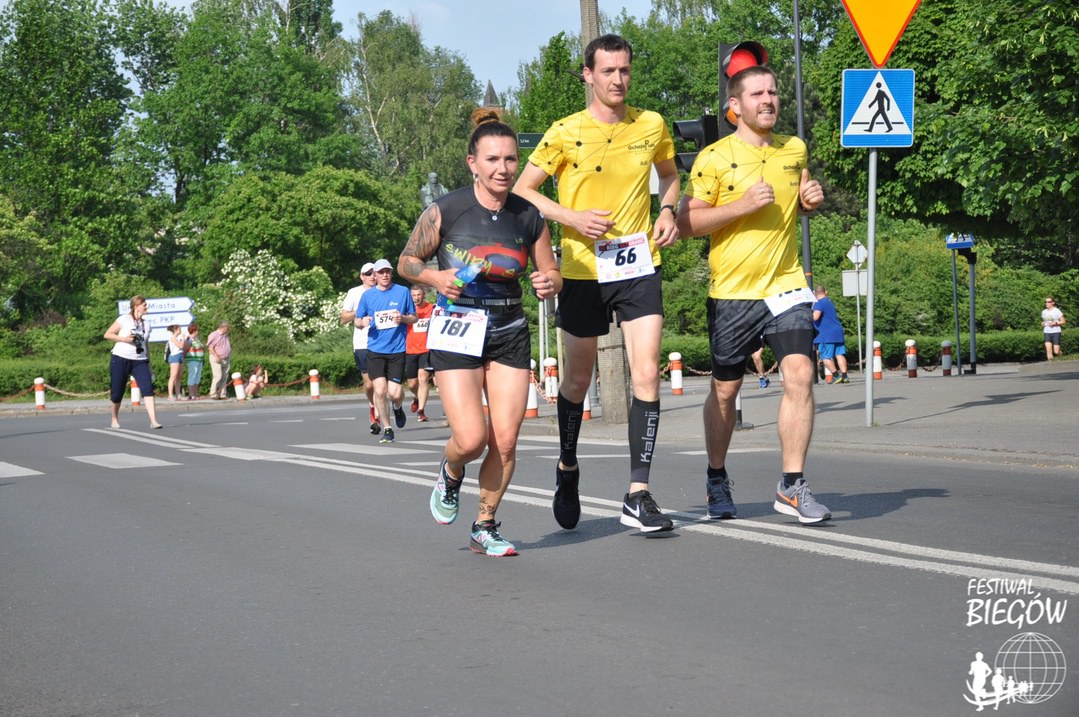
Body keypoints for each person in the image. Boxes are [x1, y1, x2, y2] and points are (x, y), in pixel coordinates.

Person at [512, 33, 681, 534]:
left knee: (646, 373)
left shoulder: (651, 124)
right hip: (583, 270)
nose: (618, 79)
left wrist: (668, 209)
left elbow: (670, 176)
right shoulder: (565, 131)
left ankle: (638, 493)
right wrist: (572, 217)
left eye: (624, 70)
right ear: (588, 75)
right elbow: (523, 190)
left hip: (638, 265)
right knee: (578, 380)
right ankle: (567, 467)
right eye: (608, 71)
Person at [676, 63, 830, 524]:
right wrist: (741, 205)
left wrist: (809, 203)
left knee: (800, 374)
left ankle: (792, 484)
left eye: (773, 92)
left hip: (786, 285)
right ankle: (716, 477)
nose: (768, 100)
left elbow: (796, 204)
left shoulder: (794, 149)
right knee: (725, 392)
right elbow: (685, 223)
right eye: (757, 94)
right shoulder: (714, 158)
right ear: (735, 106)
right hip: (733, 292)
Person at [400, 113, 561, 556]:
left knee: (505, 441)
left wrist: (549, 282)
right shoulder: (446, 209)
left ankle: (484, 525)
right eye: (492, 159)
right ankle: (451, 471)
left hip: (509, 329)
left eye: (510, 159)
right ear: (473, 162)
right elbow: (407, 262)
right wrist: (435, 278)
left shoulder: (528, 214)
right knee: (471, 440)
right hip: (458, 328)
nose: (502, 169)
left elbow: (551, 270)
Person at [354, 259, 416, 443]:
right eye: (381, 272)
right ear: (375, 275)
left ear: (391, 273)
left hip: (397, 349)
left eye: (387, 271)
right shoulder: (368, 296)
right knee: (380, 391)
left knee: (395, 393)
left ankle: (397, 406)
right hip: (375, 349)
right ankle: (388, 428)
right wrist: (362, 322)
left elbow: (414, 318)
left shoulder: (403, 292)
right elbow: (357, 321)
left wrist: (402, 318)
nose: (385, 275)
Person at [103, 295, 162, 429]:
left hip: (140, 360)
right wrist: (125, 339)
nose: (147, 307)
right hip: (120, 358)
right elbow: (107, 334)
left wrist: (149, 364)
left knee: (148, 388)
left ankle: (153, 421)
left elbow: (146, 345)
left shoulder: (147, 324)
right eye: (144, 305)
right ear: (136, 306)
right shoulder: (124, 319)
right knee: (117, 392)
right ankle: (114, 418)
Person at [341, 263, 381, 433]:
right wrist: (359, 311)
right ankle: (372, 404)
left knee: (380, 382)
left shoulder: (384, 291)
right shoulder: (354, 292)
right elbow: (343, 318)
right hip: (362, 343)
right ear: (361, 276)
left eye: (374, 273)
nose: (372, 276)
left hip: (381, 342)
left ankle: (378, 417)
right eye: (368, 273)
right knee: (369, 384)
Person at [405, 284, 434, 422]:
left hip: (426, 349)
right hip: (410, 349)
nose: (416, 298)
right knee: (412, 384)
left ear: (423, 295)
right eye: (414, 295)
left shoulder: (431, 308)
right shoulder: (407, 310)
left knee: (423, 378)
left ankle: (421, 411)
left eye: (419, 295)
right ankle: (417, 397)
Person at [813, 285, 849, 383]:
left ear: (814, 293)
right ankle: (845, 376)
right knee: (839, 354)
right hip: (838, 332)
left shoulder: (819, 303)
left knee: (825, 357)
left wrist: (806, 316)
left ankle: (836, 376)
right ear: (826, 292)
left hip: (826, 335)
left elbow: (815, 317)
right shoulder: (829, 301)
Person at [206, 321, 232, 400]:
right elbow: (210, 347)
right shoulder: (214, 335)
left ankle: (222, 394)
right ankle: (213, 393)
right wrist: (216, 356)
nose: (228, 329)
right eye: (228, 327)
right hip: (216, 357)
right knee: (218, 376)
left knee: (224, 377)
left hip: (225, 358)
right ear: (223, 327)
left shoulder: (225, 335)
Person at [164, 324, 189, 400]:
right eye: (179, 329)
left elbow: (184, 346)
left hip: (180, 356)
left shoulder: (178, 337)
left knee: (179, 377)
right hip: (174, 357)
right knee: (173, 376)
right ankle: (170, 395)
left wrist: (185, 339)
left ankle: (178, 394)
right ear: (175, 330)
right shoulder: (173, 337)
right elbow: (180, 346)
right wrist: (183, 338)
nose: (180, 330)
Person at [184, 322, 205, 400]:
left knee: (197, 377)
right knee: (192, 376)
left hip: (199, 360)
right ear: (194, 331)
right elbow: (185, 349)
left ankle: (196, 394)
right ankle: (191, 394)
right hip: (192, 360)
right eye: (197, 330)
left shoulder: (197, 339)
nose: (198, 331)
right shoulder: (189, 339)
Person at [1042, 296, 1065, 360]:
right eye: (1046, 302)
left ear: (1053, 303)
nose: (1047, 303)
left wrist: (1055, 323)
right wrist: (1043, 323)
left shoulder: (1057, 311)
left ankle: (1060, 354)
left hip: (1056, 331)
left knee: (1056, 351)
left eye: (1049, 302)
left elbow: (1063, 321)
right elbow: (1045, 321)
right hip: (1047, 332)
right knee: (1048, 350)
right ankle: (1051, 364)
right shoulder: (1044, 312)